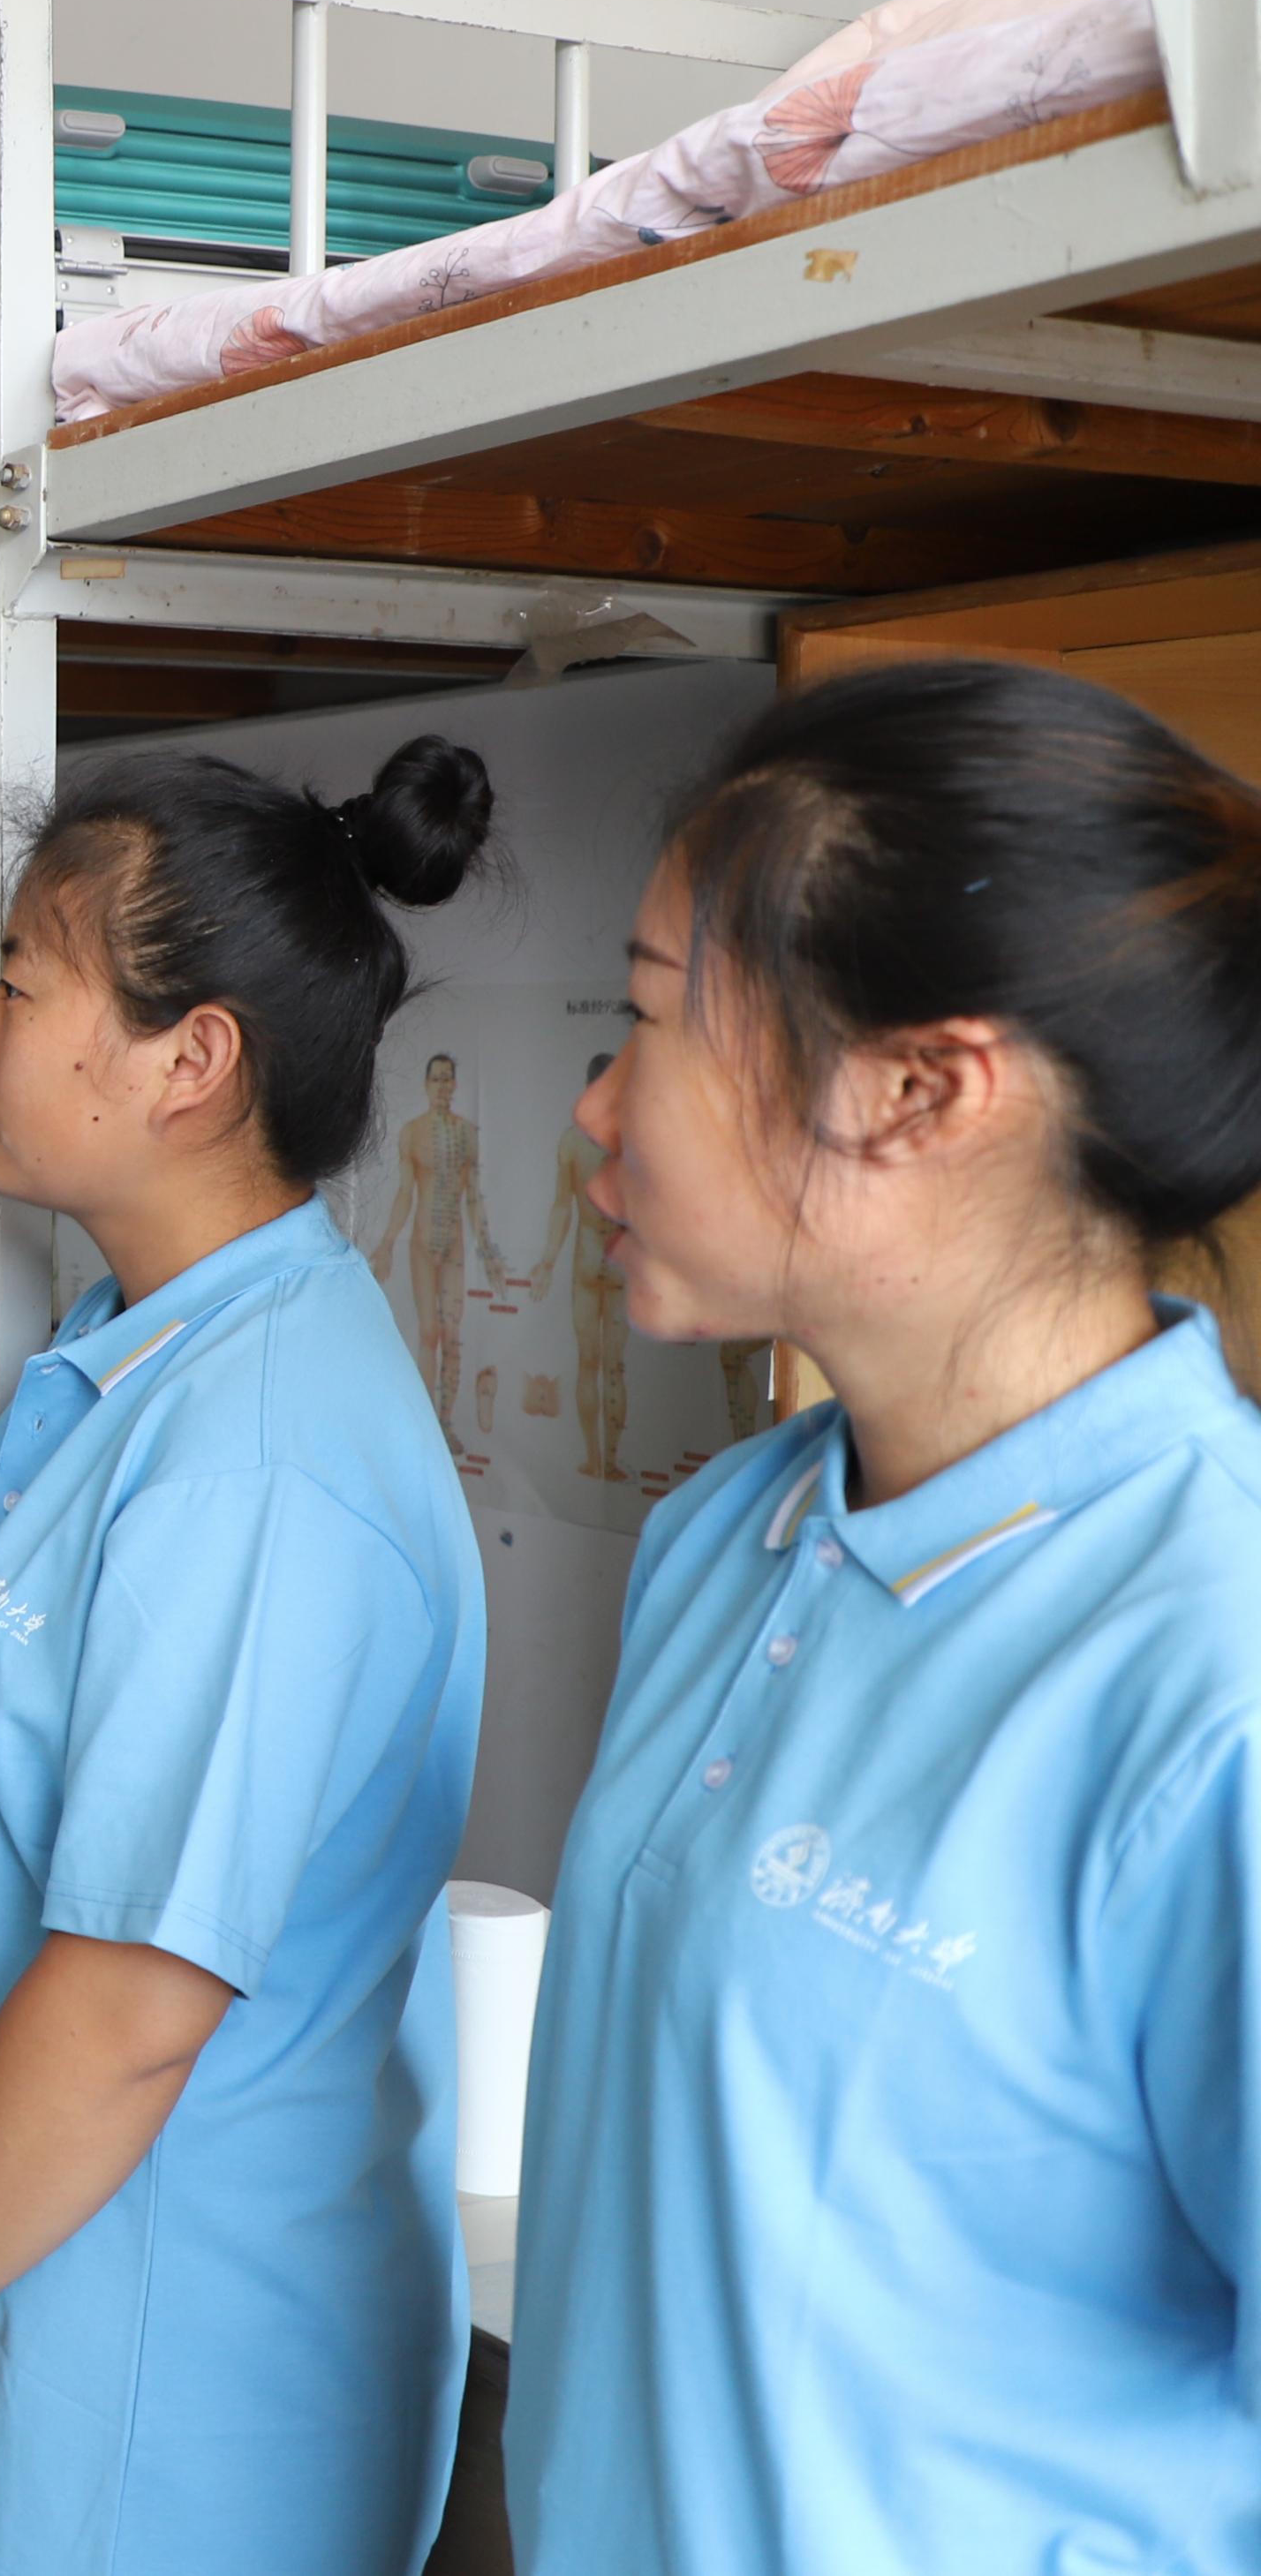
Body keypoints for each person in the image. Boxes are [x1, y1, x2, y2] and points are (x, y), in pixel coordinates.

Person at [507, 663, 1261, 2575]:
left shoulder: (1209, 1673)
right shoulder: (731, 1533)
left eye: (647, 1014)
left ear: (920, 1088)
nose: (596, 1102)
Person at [0, 736, 494, 2576]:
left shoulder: (261, 1456)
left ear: (190, 1060)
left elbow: (135, 1997)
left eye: (17, 987)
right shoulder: (131, 1345)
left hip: (185, 2352)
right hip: (55, 2276)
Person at [366, 1051, 508, 1418]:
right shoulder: (412, 1133)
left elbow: (474, 1198)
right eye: (437, 1079)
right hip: (422, 1244)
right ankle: (428, 1422)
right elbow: (405, 1193)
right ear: (426, 1085)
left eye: (448, 1079)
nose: (443, 1086)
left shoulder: (467, 1134)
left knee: (452, 1336)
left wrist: (488, 1253)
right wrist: (386, 1243)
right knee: (429, 1332)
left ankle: (445, 1424)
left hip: (455, 1245)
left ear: (455, 1084)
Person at [518, 1055, 630, 1482]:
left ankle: (596, 1460)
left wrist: (548, 1261)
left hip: (590, 1255)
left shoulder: (575, 1142)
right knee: (611, 1365)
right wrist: (547, 1262)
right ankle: (607, 1462)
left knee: (592, 1363)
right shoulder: (630, 1143)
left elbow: (562, 1208)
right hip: (614, 1257)